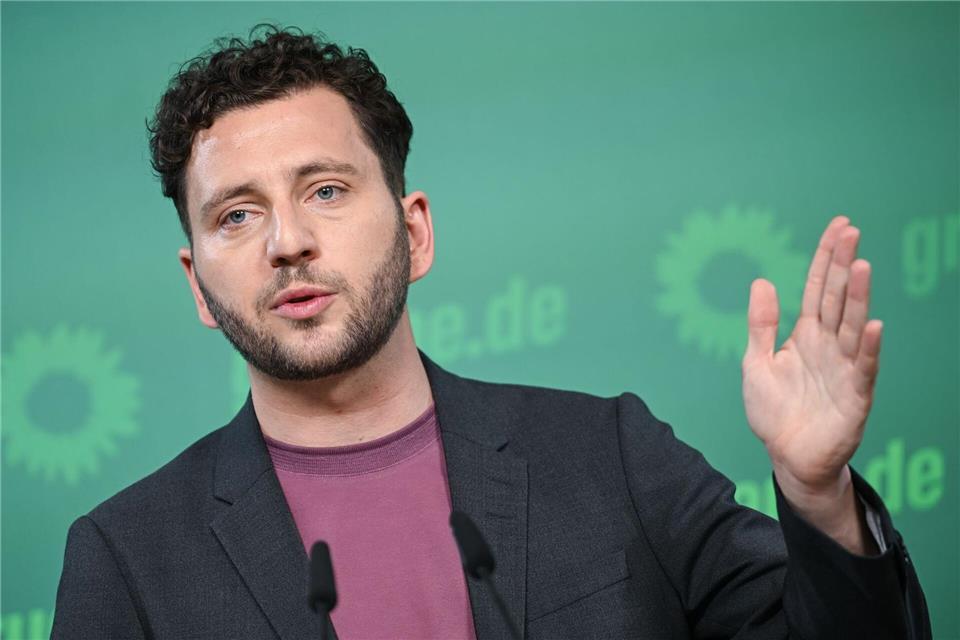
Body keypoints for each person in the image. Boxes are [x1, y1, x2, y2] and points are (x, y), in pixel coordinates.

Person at [51, 25, 931, 639]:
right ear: (197, 284)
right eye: (237, 215)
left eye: (325, 190)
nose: (289, 243)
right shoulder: (126, 556)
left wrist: (818, 495)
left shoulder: (611, 455)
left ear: (416, 230)